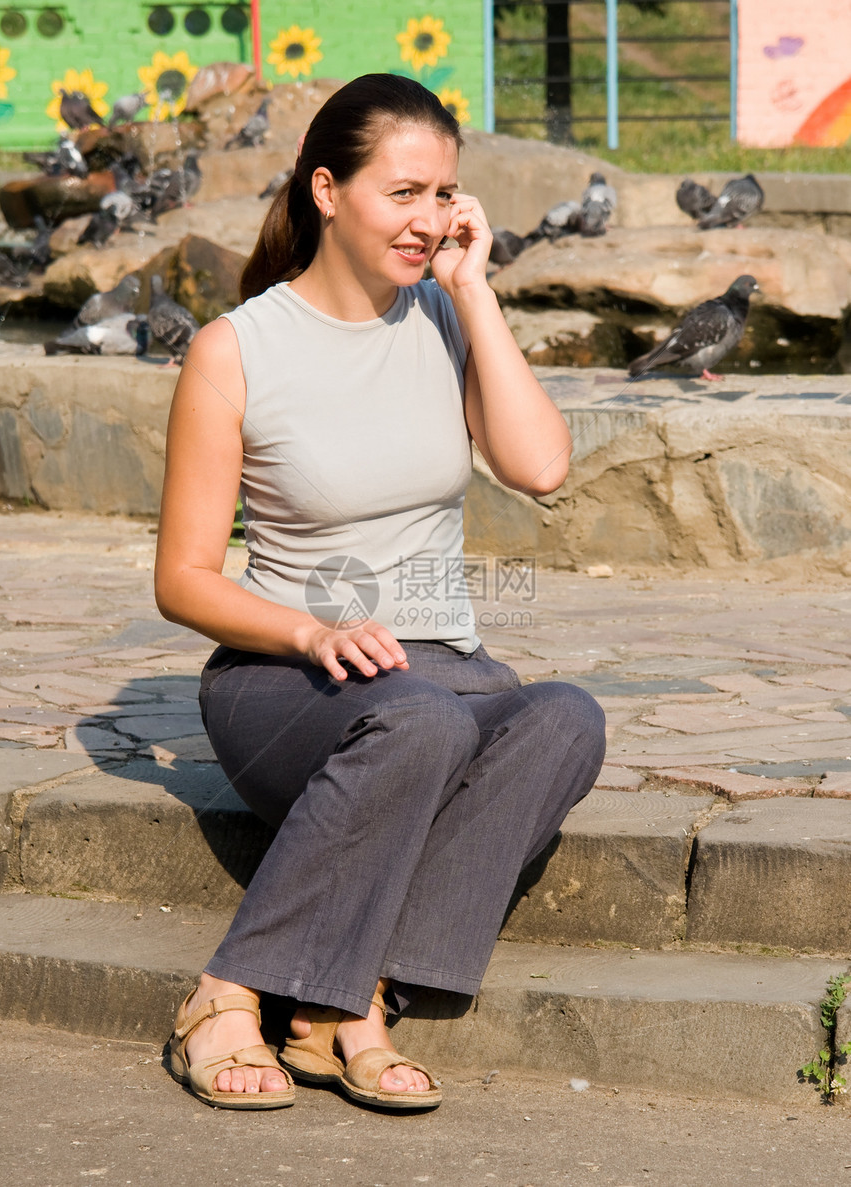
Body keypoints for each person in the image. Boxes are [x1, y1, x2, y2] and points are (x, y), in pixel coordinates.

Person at [154, 72, 605, 1112]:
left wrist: (472, 291)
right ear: (325, 188)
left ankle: (340, 1000)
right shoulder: (236, 350)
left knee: (564, 719)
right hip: (283, 679)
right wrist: (310, 631)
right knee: (419, 723)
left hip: (435, 674)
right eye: (402, 193)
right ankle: (227, 991)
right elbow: (182, 578)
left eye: (443, 193)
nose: (429, 218)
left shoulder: (443, 320)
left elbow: (539, 467)